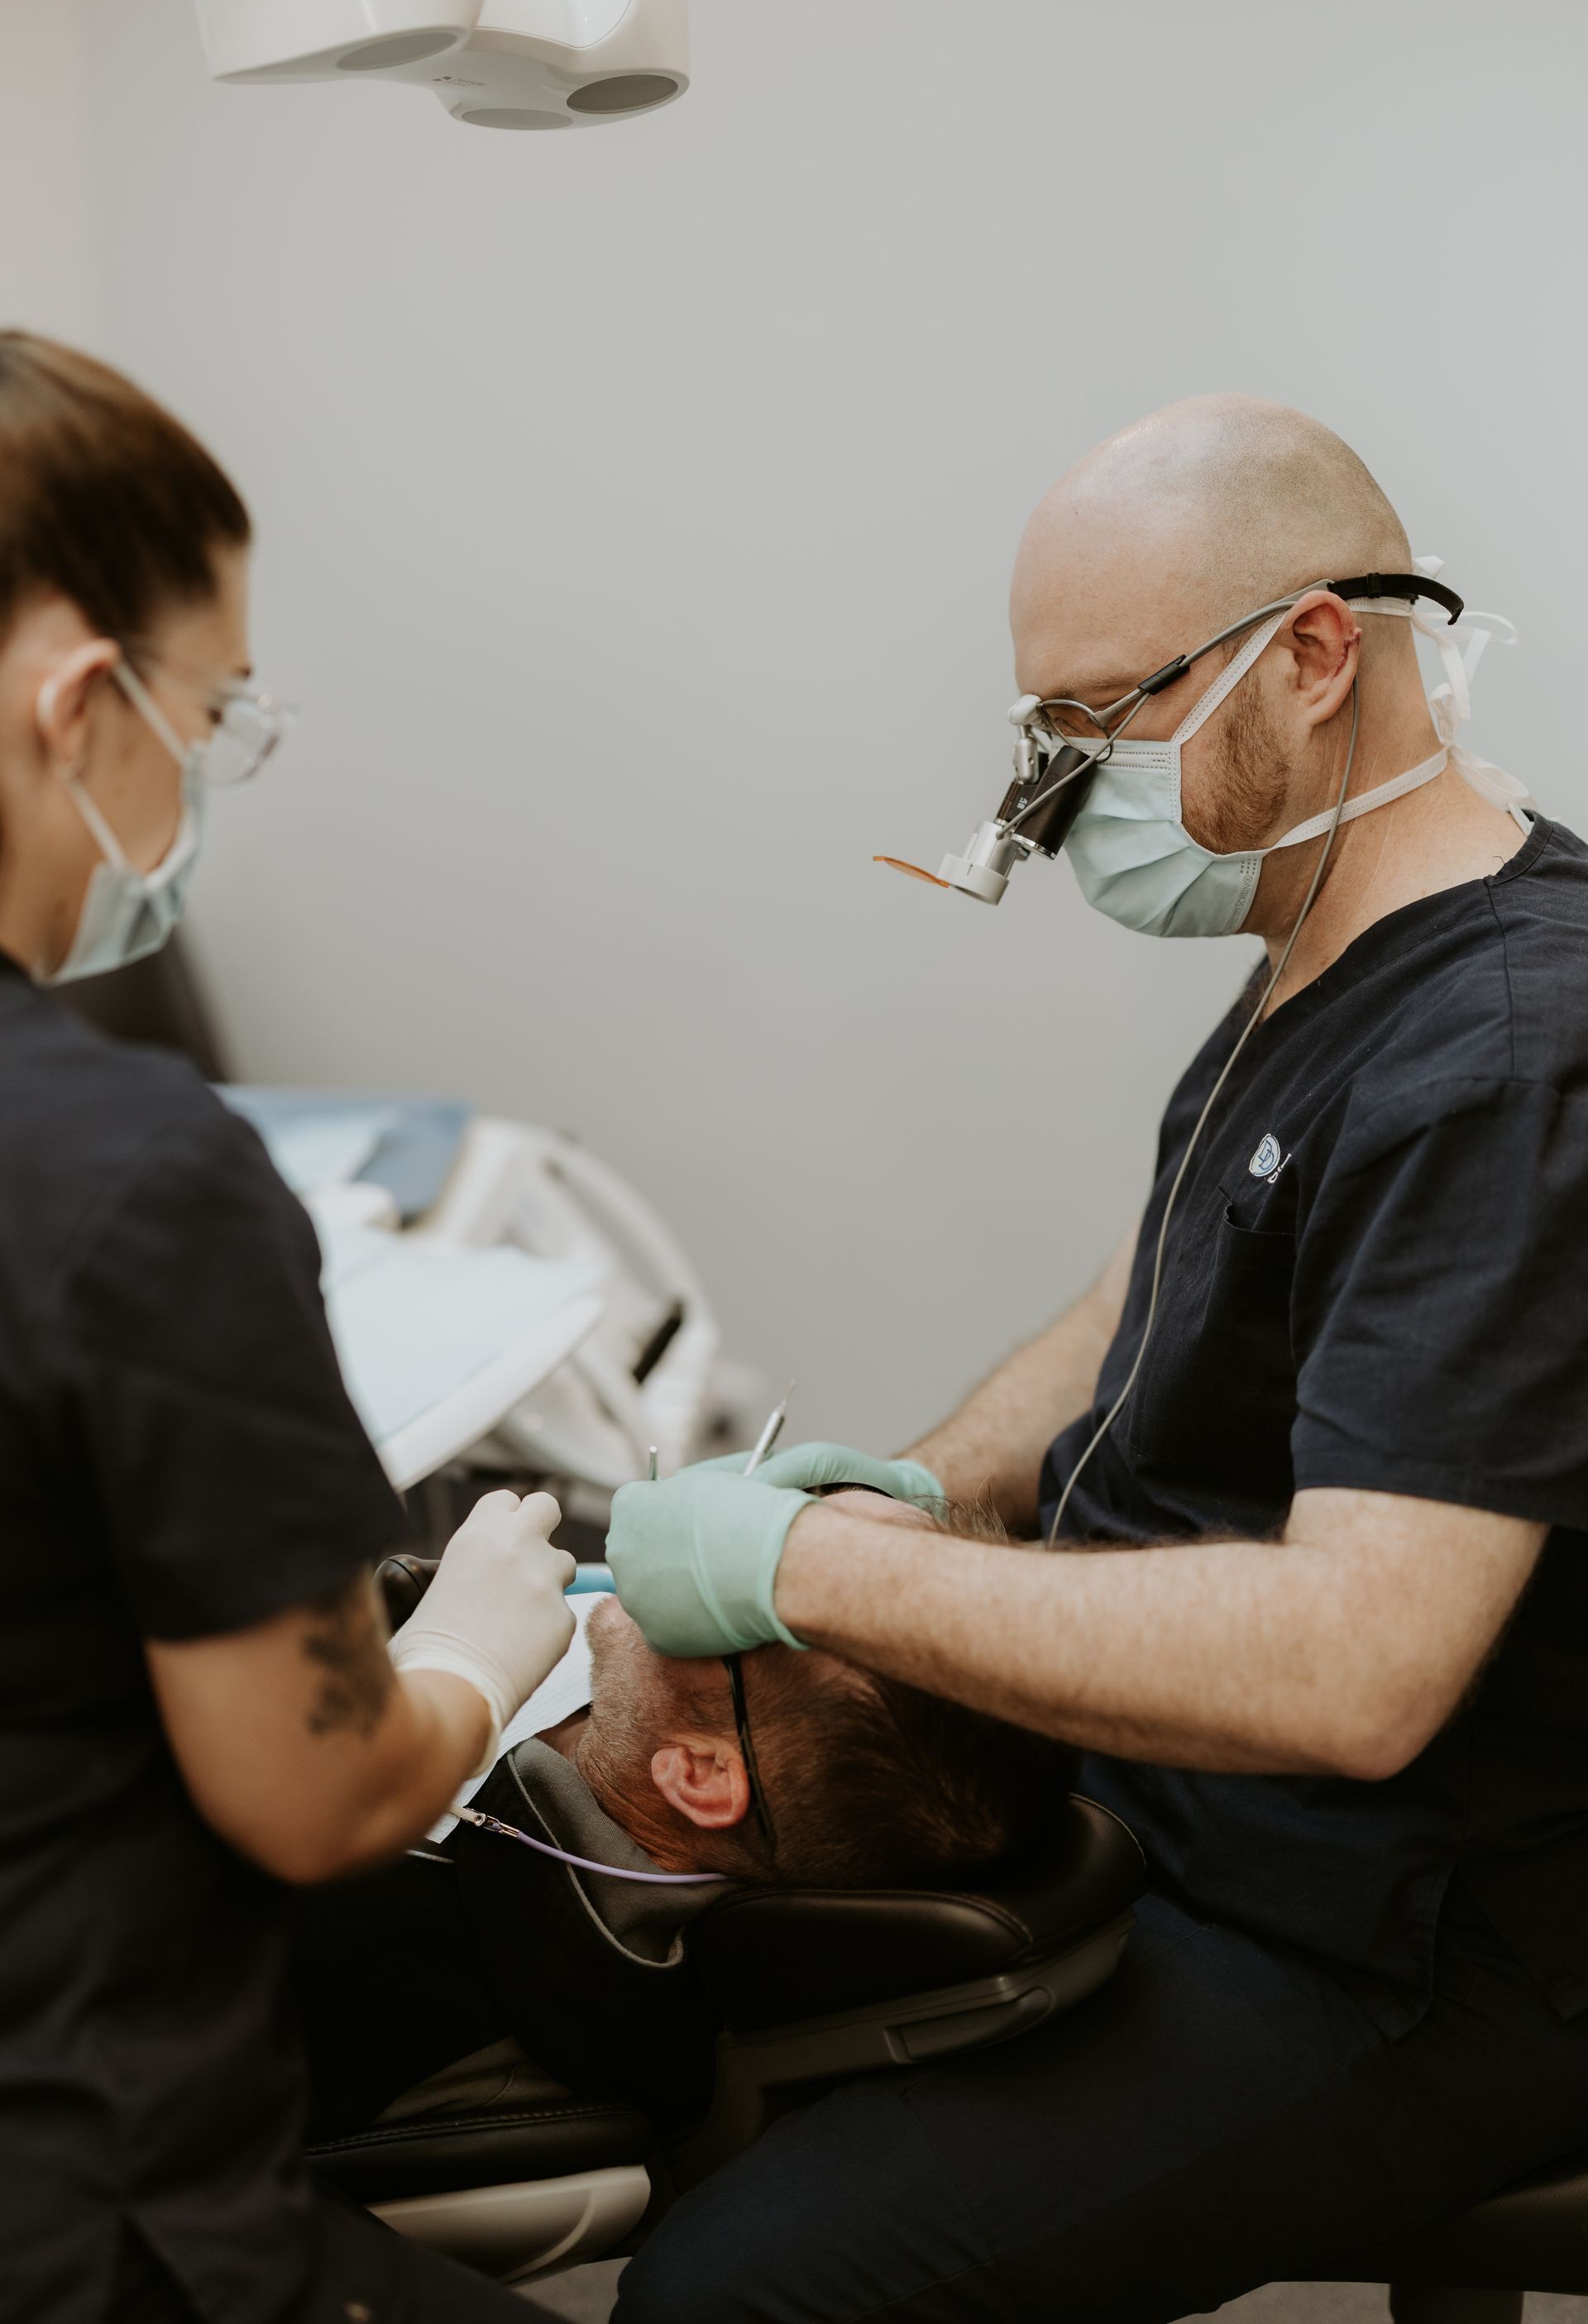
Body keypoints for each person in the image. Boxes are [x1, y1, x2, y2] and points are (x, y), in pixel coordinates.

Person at [605, 398, 1588, 2323]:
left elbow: (1358, 1672)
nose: (1054, 790)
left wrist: (813, 1571)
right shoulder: (1330, 943)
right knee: (638, 2020)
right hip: (1188, 1810)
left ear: (1313, 652)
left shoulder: (1513, 1049)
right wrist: (926, 1482)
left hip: (1406, 1932)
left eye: (1101, 719)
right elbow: (1152, 1288)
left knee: (733, 2291)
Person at [0, 332, 583, 2324]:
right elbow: (313, 1792)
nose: (201, 767)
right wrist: (470, 1659)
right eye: (212, 709)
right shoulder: (125, 1177)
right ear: (80, 704)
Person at [293, 1490, 1075, 2139]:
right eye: (789, 1507)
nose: (709, 1529)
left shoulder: (389, 1946)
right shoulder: (637, 1695)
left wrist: (445, 1664)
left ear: (699, 1775)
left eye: (745, 1578)